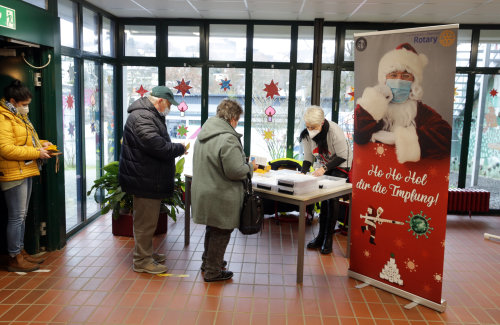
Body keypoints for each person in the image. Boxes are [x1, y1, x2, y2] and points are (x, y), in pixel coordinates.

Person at [119, 85, 187, 274]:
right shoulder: (142, 117)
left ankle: (145, 253)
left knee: (147, 221)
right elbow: (157, 147)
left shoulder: (147, 115)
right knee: (144, 223)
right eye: (168, 105)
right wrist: (179, 148)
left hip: (147, 177)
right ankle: (142, 261)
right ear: (159, 101)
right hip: (144, 179)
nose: (169, 109)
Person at [191, 99, 258, 282]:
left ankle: (208, 263)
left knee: (212, 229)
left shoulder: (204, 134)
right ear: (233, 118)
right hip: (220, 195)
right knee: (221, 232)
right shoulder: (228, 138)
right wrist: (250, 167)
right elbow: (235, 171)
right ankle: (213, 271)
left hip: (205, 192)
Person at [354, 43, 452, 164]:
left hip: (408, 178)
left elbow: (446, 138)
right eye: (393, 75)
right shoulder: (372, 106)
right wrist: (374, 100)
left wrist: (399, 139)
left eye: (405, 76)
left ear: (414, 82)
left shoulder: (422, 111)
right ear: (385, 79)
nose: (399, 81)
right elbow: (359, 135)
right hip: (374, 174)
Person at [0, 79, 53, 272]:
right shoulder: (4, 118)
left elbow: (28, 140)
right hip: (13, 172)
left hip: (25, 169)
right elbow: (6, 149)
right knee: (16, 216)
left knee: (21, 216)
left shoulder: (17, 116)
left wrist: (43, 144)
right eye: (24, 105)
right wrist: (36, 153)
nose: (27, 108)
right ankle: (14, 257)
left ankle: (20, 252)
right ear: (12, 101)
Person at [299, 105, 352, 254]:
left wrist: (324, 169)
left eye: (313, 127)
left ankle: (328, 239)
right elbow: (308, 157)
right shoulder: (306, 135)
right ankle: (320, 237)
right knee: (323, 199)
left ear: (322, 123)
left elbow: (342, 155)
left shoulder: (334, 131)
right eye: (308, 126)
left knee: (332, 199)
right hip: (326, 165)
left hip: (341, 165)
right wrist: (303, 173)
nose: (310, 130)